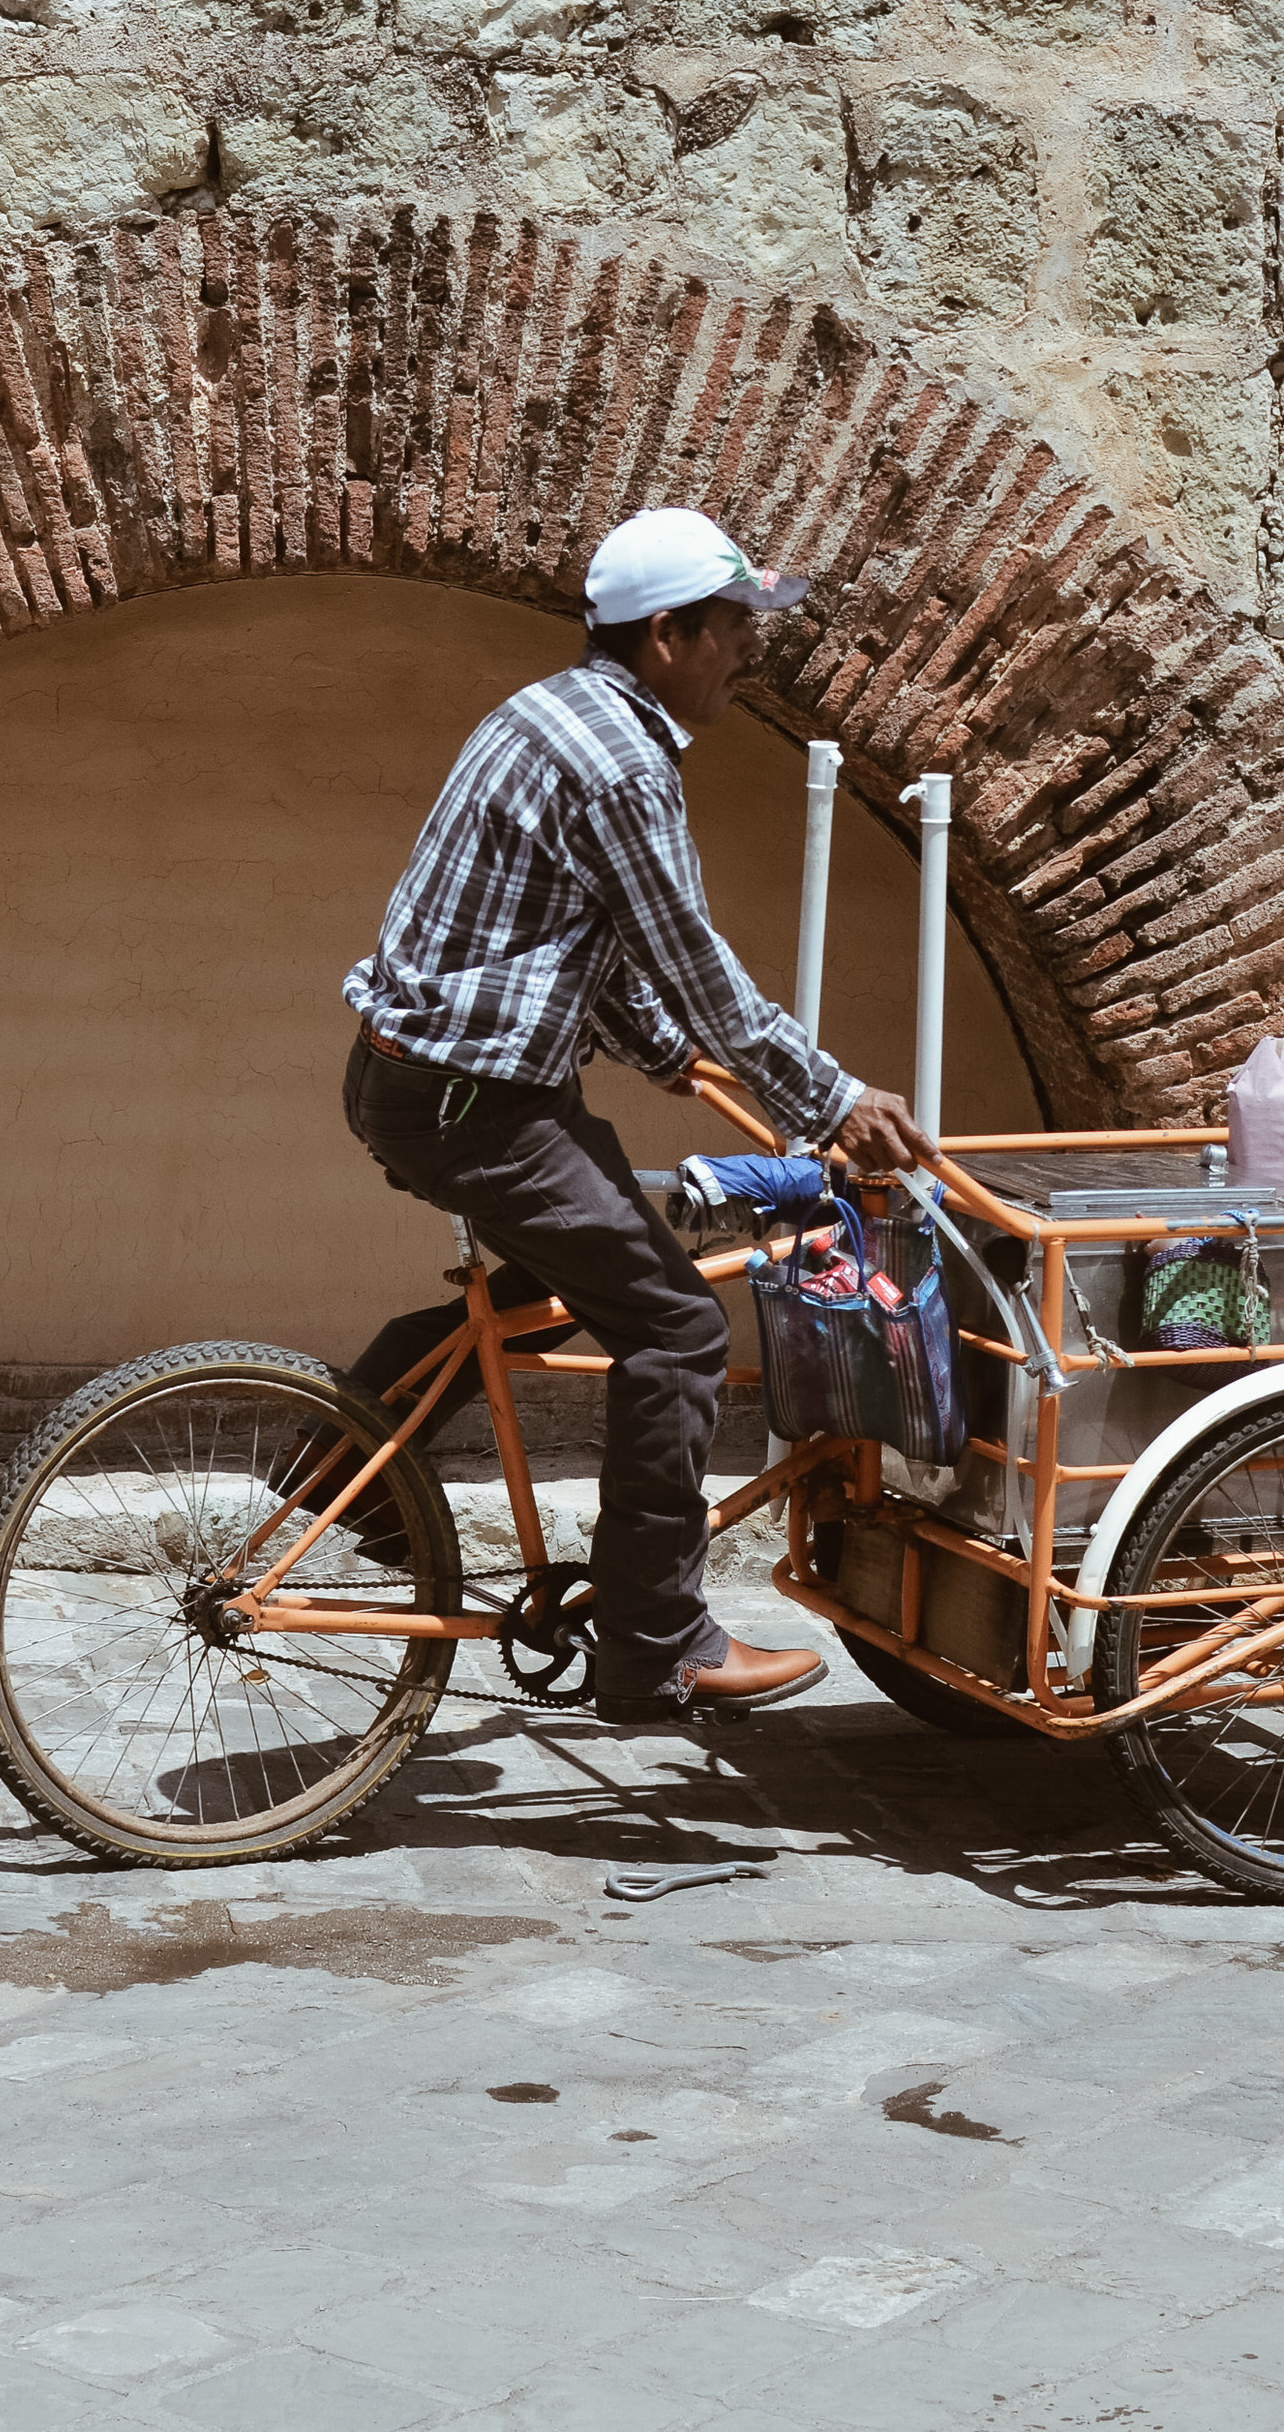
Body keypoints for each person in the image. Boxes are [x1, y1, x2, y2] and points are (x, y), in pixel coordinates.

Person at [341, 504, 933, 1725]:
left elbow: (578, 935)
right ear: (667, 634)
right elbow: (691, 957)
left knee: (576, 1277)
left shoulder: (547, 711)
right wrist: (827, 1100)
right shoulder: (623, 761)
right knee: (677, 1330)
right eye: (732, 630)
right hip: (479, 1101)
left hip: (418, 1075)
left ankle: (339, 1466)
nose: (747, 654)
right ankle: (656, 1643)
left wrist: (660, 1051)